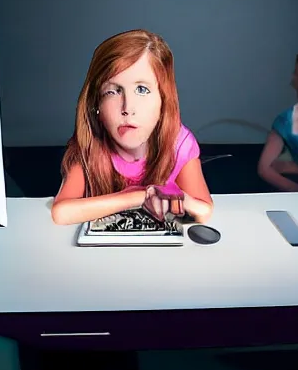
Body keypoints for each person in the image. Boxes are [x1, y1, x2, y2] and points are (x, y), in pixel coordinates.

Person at [51, 29, 213, 226]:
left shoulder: (179, 143)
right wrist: (138, 196)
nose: (128, 108)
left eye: (142, 90)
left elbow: (204, 210)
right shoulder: (90, 143)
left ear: (163, 101)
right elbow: (61, 213)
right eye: (113, 91)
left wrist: (175, 199)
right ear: (96, 105)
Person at [258, 51, 298, 192]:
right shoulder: (285, 121)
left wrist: (296, 168)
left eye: (296, 73)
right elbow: (265, 168)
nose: (293, 80)